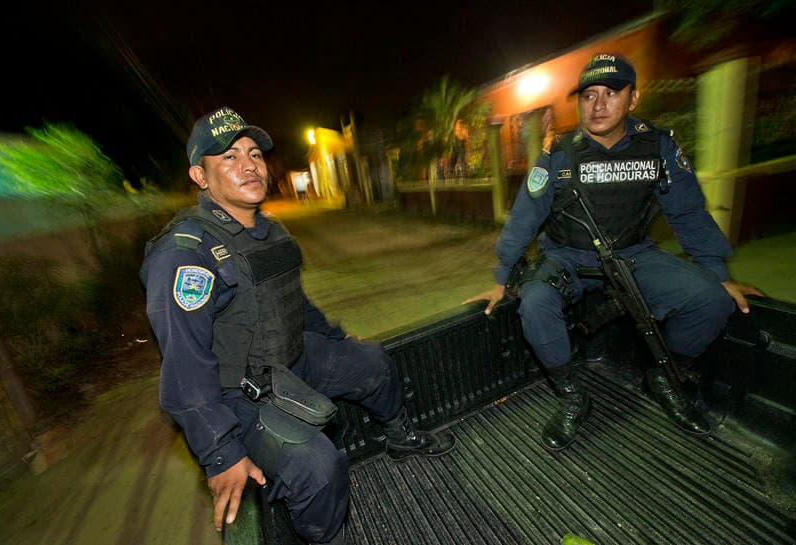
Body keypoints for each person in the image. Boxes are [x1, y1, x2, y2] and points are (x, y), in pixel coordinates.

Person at [140, 106, 454, 545]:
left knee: (373, 361)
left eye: (253, 153)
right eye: (228, 157)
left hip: (292, 356)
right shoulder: (184, 254)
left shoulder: (272, 232)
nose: (248, 164)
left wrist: (335, 338)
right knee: (319, 468)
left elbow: (294, 302)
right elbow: (183, 365)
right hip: (237, 391)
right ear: (200, 176)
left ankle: (399, 438)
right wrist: (220, 453)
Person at [464, 54, 763, 452]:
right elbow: (524, 217)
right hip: (568, 256)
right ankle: (573, 394)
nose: (598, 104)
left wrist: (716, 272)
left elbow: (688, 213)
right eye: (589, 95)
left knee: (711, 300)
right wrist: (502, 278)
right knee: (534, 303)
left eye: (611, 93)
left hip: (633, 253)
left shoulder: (656, 147)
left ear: (633, 98)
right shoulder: (559, 155)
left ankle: (666, 374)